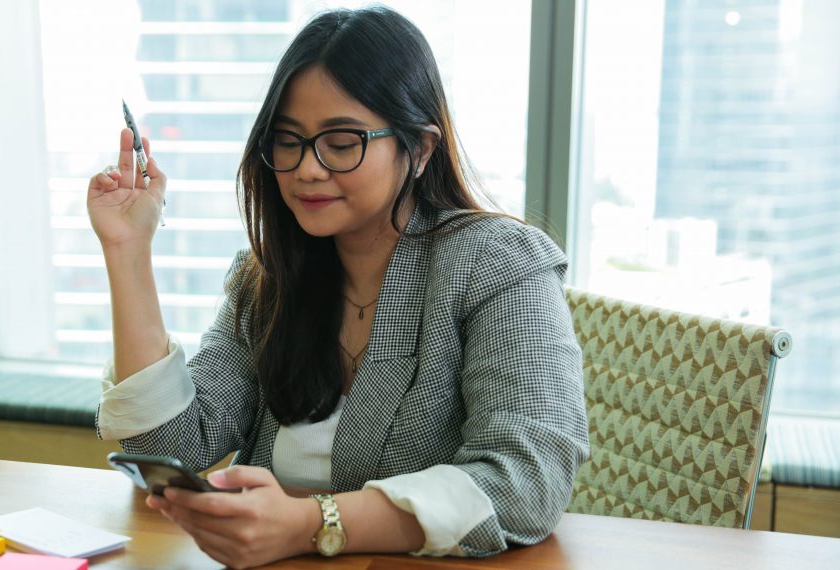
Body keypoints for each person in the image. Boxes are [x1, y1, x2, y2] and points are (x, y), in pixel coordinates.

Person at [86, 6, 588, 568]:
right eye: (288, 141)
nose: (307, 169)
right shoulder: (269, 276)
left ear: (419, 149)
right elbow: (168, 451)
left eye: (341, 142)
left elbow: (528, 482)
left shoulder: (494, 263)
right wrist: (128, 253)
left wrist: (313, 524)